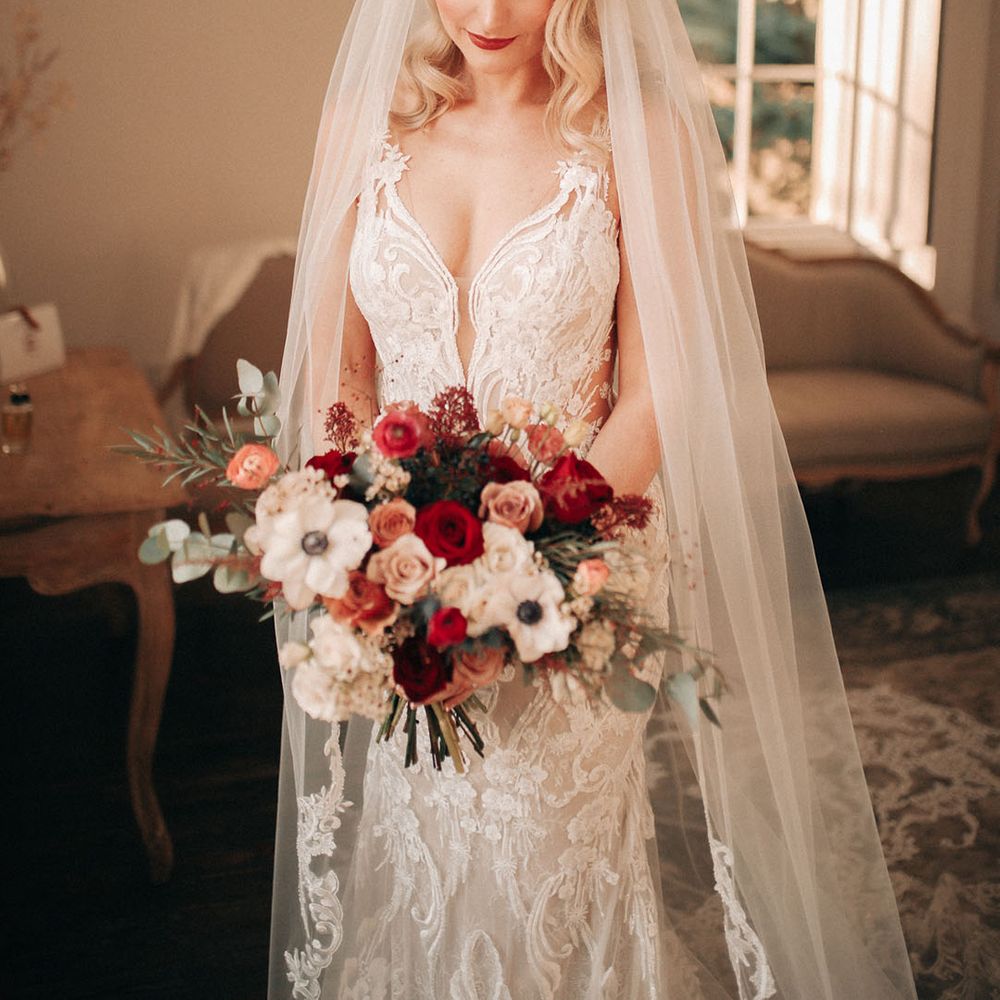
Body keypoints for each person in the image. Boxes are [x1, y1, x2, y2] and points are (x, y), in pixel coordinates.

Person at [268, 2, 920, 999]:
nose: (486, 13)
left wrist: (509, 590)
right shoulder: (365, 126)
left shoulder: (634, 138)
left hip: (571, 591)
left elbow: (660, 394)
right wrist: (376, 570)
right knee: (423, 852)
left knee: (538, 895)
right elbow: (340, 381)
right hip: (403, 588)